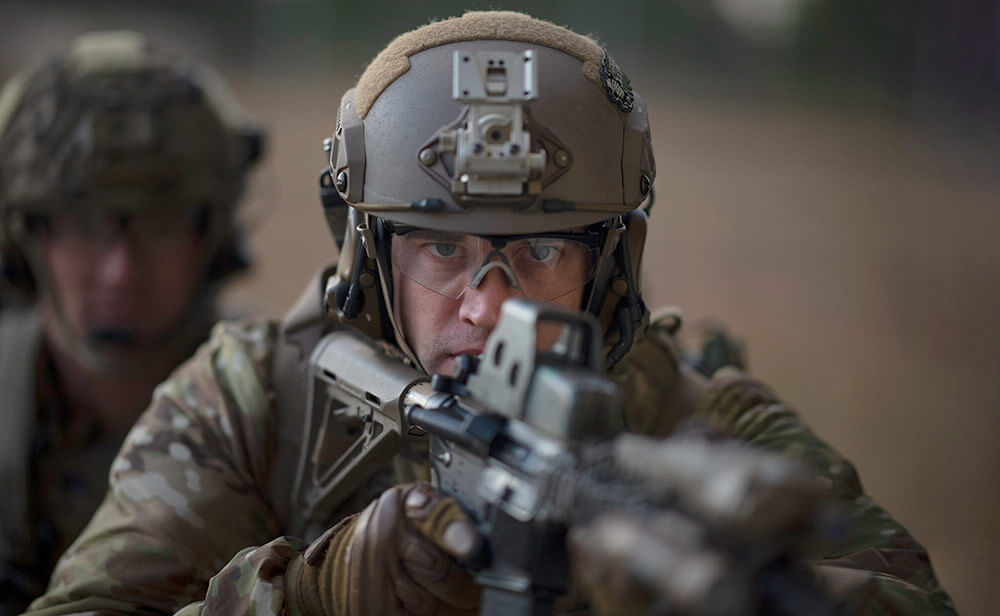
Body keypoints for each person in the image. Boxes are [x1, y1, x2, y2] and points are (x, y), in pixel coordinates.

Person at [24, 12, 954, 616]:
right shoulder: (253, 405)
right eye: (444, 249)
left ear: (611, 264)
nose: (488, 303)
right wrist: (314, 595)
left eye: (542, 249)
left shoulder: (694, 416)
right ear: (370, 257)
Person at [0, 31, 263, 613]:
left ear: (209, 236)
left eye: (160, 223)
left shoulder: (276, 417)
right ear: (28, 236)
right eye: (85, 225)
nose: (120, 270)